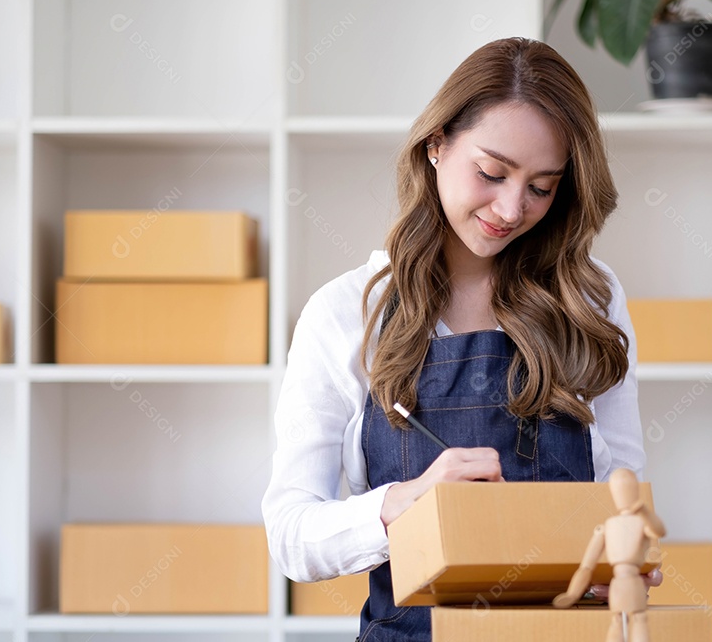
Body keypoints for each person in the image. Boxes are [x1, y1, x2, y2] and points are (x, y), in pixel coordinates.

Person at [262, 37, 657, 642]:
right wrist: (402, 503)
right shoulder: (346, 313)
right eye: (492, 172)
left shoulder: (589, 299)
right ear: (437, 145)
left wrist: (624, 554)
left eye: (542, 187)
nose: (510, 207)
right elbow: (291, 535)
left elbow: (623, 492)